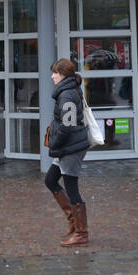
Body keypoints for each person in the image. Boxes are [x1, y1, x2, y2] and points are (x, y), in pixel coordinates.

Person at [45, 57, 90, 247]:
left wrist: (55, 142)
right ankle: (72, 219)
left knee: (72, 188)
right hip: (67, 146)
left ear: (62, 75)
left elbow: (68, 125)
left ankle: (81, 233)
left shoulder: (67, 95)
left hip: (71, 147)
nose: (52, 76)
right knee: (50, 180)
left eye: (55, 72)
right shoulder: (67, 91)